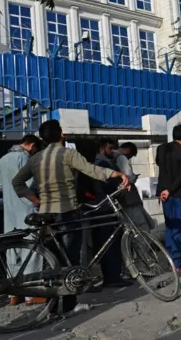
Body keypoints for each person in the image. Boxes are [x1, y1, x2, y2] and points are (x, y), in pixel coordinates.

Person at [12, 120, 129, 314]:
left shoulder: (36, 158)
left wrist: (35, 200)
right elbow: (92, 170)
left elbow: (17, 182)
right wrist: (116, 173)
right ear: (62, 135)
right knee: (70, 261)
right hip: (67, 212)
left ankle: (52, 307)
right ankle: (68, 305)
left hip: (46, 214)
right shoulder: (68, 154)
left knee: (51, 261)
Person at [0, 134, 44, 305]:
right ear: (31, 146)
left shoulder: (2, 160)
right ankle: (32, 295)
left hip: (9, 212)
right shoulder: (24, 158)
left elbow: (1, 186)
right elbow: (32, 184)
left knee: (12, 251)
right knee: (31, 251)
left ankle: (13, 295)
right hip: (27, 210)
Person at [91, 138, 132, 288]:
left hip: (103, 207)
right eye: (110, 149)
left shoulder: (102, 163)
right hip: (105, 208)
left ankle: (113, 275)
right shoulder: (101, 164)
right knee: (110, 243)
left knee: (108, 243)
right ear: (102, 149)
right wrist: (120, 186)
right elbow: (106, 187)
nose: (112, 151)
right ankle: (113, 277)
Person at [156, 124, 181, 274]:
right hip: (178, 194)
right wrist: (170, 190)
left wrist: (165, 190)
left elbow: (160, 164)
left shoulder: (161, 148)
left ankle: (171, 260)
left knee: (170, 228)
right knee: (179, 229)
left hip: (164, 194)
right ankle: (178, 264)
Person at [114, 142, 156, 233]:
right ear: (128, 150)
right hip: (129, 198)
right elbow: (129, 176)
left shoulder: (111, 156)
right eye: (131, 156)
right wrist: (134, 177)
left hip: (119, 198)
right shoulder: (121, 157)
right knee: (139, 225)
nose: (129, 158)